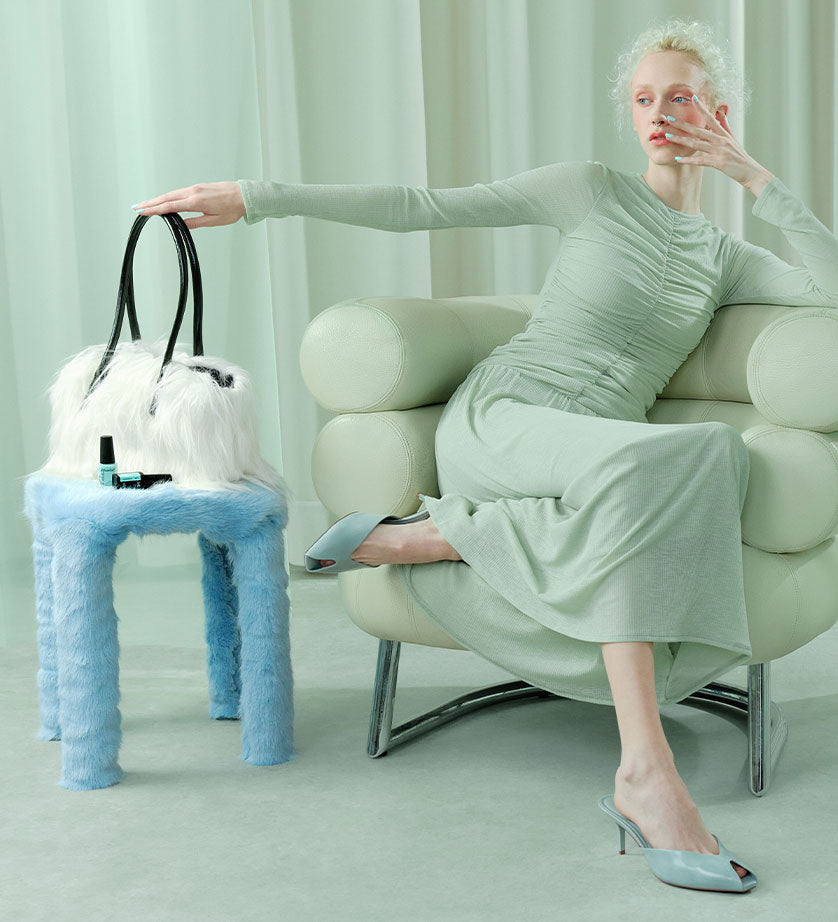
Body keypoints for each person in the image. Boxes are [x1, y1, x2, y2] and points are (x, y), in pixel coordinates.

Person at [132, 19, 838, 891]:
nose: (661, 113)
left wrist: (755, 177)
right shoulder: (590, 191)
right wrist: (258, 194)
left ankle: (434, 536)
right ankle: (646, 772)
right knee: (676, 459)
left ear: (719, 114)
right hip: (508, 416)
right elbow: (422, 206)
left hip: (595, 451)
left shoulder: (726, 259)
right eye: (644, 98)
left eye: (683, 97)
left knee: (714, 457)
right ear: (630, 115)